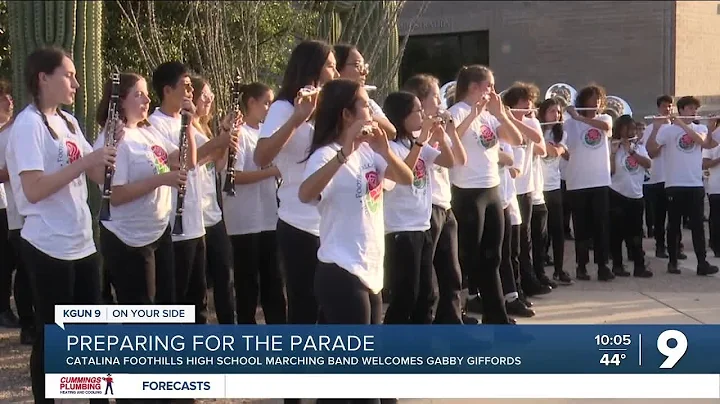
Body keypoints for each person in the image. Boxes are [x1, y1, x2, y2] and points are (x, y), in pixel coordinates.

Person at [5, 46, 116, 403]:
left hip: (81, 241)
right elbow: (33, 189)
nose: (76, 83)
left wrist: (114, 144)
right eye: (69, 75)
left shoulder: (68, 122)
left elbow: (96, 171)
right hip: (47, 244)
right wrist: (84, 163)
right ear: (43, 78)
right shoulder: (27, 126)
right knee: (52, 336)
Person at [298, 78, 413, 325]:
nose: (371, 110)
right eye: (364, 105)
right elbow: (305, 194)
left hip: (370, 268)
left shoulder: (370, 149)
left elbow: (406, 178)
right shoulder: (325, 155)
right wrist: (344, 153)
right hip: (341, 267)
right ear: (347, 115)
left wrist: (386, 151)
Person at [254, 39, 339, 326]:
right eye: (330, 66)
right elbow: (261, 156)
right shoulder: (283, 107)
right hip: (299, 223)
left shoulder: (329, 108)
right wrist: (297, 119)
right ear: (312, 68)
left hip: (331, 222)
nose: (335, 74)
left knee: (330, 308)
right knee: (304, 307)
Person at [148, 61, 237, 324]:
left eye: (191, 86)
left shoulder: (188, 121)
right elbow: (184, 160)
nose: (190, 92)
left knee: (198, 300)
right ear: (167, 90)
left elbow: (209, 156)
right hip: (175, 223)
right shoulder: (155, 124)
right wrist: (216, 140)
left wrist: (225, 135)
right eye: (185, 86)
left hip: (196, 221)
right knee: (177, 299)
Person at [93, 72, 187, 308]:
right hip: (128, 238)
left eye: (146, 94)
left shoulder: (148, 131)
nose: (147, 100)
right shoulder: (114, 139)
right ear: (120, 100)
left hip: (157, 231)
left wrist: (188, 124)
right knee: (141, 313)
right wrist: (161, 179)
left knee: (167, 309)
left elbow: (182, 159)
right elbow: (115, 195)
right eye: (139, 94)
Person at [447, 65, 523, 324]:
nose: (493, 90)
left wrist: (501, 115)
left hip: (492, 189)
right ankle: (461, 310)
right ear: (474, 87)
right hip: (468, 192)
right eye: (489, 85)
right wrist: (472, 115)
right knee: (469, 256)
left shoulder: (490, 115)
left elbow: (515, 139)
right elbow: (449, 139)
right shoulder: (456, 112)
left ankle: (497, 315)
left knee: (493, 255)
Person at [381, 91, 455, 324]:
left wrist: (441, 137)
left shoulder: (414, 143)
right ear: (402, 116)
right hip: (401, 228)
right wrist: (422, 139)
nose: (423, 115)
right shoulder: (391, 147)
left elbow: (449, 161)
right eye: (417, 111)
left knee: (426, 294)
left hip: (422, 226)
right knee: (405, 295)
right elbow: (404, 174)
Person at [402, 73, 467, 324]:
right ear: (420, 101)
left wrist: (447, 132)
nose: (441, 103)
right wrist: (428, 135)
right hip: (426, 209)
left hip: (444, 205)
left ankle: (451, 324)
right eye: (436, 97)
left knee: (452, 273)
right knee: (425, 279)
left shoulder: (438, 129)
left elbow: (458, 160)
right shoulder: (412, 134)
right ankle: (423, 326)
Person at [223, 82, 288, 324]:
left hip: (269, 216)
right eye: (266, 103)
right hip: (244, 220)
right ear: (251, 102)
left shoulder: (265, 132)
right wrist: (271, 172)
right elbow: (234, 176)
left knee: (273, 279)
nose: (269, 108)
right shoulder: (238, 134)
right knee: (247, 282)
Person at [646, 96, 719, 276]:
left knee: (697, 227)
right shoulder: (668, 131)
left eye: (695, 109)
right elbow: (652, 152)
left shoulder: (699, 128)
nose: (694, 112)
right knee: (673, 225)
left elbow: (701, 141)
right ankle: (672, 262)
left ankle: (702, 263)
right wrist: (655, 129)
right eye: (690, 109)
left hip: (694, 183)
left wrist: (681, 123)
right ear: (682, 110)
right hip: (674, 184)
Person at [190, 76, 235, 324]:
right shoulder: (185, 127)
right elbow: (192, 160)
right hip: (195, 214)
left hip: (213, 212)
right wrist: (219, 141)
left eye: (210, 95)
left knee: (225, 275)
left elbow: (216, 163)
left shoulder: (203, 128)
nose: (210, 99)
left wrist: (225, 138)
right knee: (198, 283)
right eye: (204, 95)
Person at [502, 83, 553, 294]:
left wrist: (515, 119)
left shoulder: (531, 121)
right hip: (509, 187)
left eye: (531, 103)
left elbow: (539, 143)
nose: (530, 107)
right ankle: (516, 284)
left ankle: (529, 278)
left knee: (527, 238)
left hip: (527, 187)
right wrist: (509, 119)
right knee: (514, 240)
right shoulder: (502, 123)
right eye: (525, 103)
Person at [563, 84, 614, 281]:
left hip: (600, 181)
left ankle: (602, 266)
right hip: (577, 182)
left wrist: (578, 117)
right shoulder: (570, 123)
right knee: (581, 227)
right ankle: (581, 266)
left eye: (599, 99)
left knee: (601, 225)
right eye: (593, 98)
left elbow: (606, 128)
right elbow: (561, 141)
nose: (597, 102)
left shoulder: (604, 118)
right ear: (583, 101)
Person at [608, 115, 653, 277]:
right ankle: (617, 265)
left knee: (636, 234)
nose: (631, 132)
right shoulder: (612, 146)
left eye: (633, 129)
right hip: (617, 194)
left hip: (636, 195)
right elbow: (610, 172)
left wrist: (631, 151)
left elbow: (648, 164)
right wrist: (613, 153)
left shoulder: (639, 147)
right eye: (627, 129)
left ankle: (639, 266)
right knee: (616, 232)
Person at [537, 98, 573, 285]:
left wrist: (543, 144)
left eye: (558, 112)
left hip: (553, 186)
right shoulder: (535, 128)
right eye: (552, 111)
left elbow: (557, 152)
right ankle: (540, 270)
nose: (556, 115)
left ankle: (559, 269)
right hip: (537, 187)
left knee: (557, 230)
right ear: (543, 112)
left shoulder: (561, 133)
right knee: (539, 233)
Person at [334, 43, 396, 140]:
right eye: (357, 65)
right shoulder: (323, 101)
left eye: (364, 66)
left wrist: (363, 111)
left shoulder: (367, 102)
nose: (364, 72)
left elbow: (391, 133)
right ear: (336, 68)